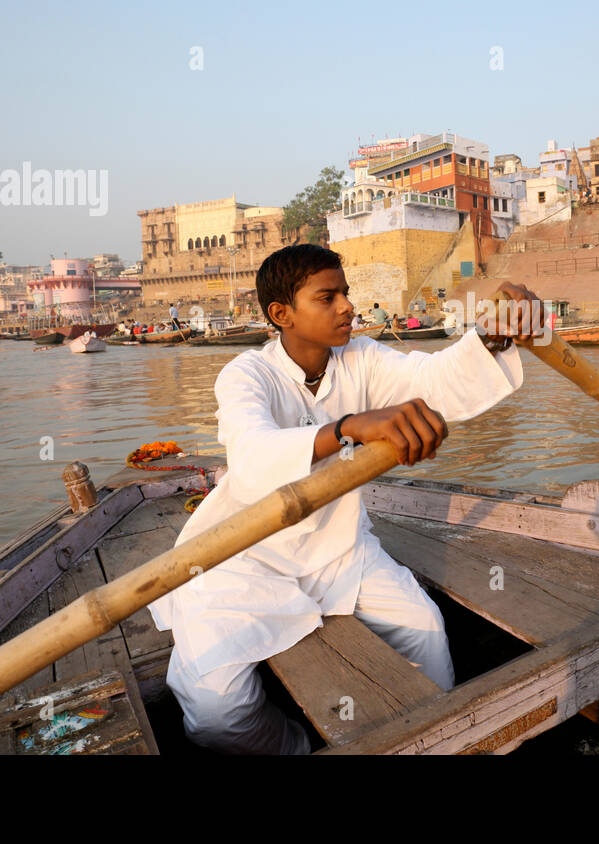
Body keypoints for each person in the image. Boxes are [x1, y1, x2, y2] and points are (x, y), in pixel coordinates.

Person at [148, 244, 544, 754]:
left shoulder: (362, 358)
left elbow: (433, 380)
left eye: (345, 294)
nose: (346, 307)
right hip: (243, 556)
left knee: (424, 630)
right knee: (214, 711)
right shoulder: (247, 374)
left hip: (339, 547)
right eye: (327, 297)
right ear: (281, 314)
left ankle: (424, 740)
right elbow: (252, 453)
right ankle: (300, 747)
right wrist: (346, 427)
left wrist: (493, 333)